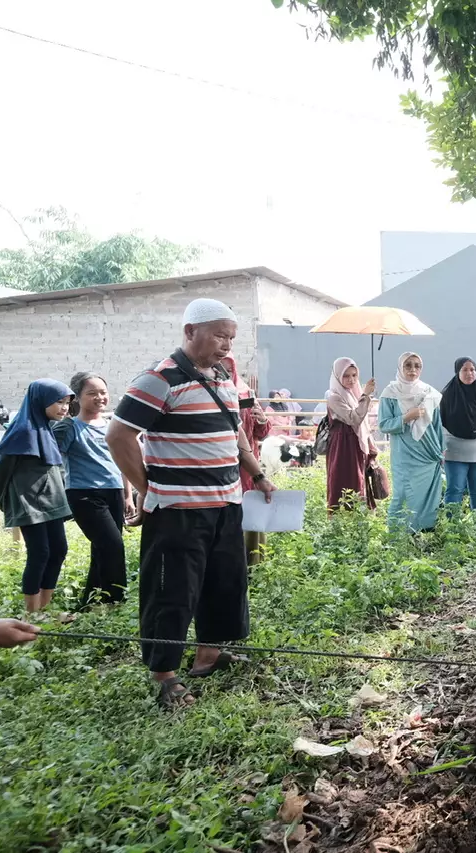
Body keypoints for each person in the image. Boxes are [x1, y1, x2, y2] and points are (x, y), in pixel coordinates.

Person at [106, 298, 276, 709]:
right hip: (179, 510)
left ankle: (209, 655)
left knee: (224, 582)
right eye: (219, 335)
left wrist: (257, 471)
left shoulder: (221, 377)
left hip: (225, 504)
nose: (226, 345)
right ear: (189, 332)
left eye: (231, 338)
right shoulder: (158, 379)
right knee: (172, 591)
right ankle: (164, 674)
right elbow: (119, 436)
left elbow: (234, 432)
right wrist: (147, 489)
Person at [0, 379, 73, 613]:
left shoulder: (45, 427)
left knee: (59, 549)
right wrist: (6, 500)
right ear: (40, 401)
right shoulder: (24, 430)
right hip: (30, 502)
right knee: (40, 552)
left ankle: (44, 610)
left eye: (67, 402)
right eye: (58, 402)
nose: (64, 407)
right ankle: (32, 615)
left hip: (52, 500)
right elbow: (2, 468)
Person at [52, 372, 132, 607]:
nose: (100, 397)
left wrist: (128, 495)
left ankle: (90, 603)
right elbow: (51, 456)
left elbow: (123, 462)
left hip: (114, 491)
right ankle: (115, 601)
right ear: (77, 397)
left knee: (102, 549)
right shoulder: (69, 428)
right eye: (92, 393)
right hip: (84, 494)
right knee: (112, 546)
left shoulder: (111, 427)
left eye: (103, 392)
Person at [379, 352, 445, 532]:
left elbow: (437, 425)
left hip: (428, 453)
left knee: (427, 495)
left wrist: (442, 450)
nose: (413, 369)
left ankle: (423, 533)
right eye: (408, 365)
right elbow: (384, 425)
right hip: (405, 454)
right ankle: (397, 536)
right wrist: (407, 417)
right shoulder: (390, 393)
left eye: (417, 365)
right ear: (400, 367)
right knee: (402, 495)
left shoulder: (430, 393)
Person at [222, 358, 272, 565]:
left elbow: (262, 432)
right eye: (219, 369)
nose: (223, 373)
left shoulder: (245, 394)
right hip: (223, 465)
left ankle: (253, 562)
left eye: (228, 369)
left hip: (248, 464)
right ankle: (230, 563)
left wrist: (261, 418)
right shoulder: (209, 394)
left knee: (251, 509)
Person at [439, 357, 476, 511]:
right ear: (457, 372)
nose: (469, 373)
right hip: (455, 451)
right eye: (464, 369)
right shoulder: (446, 396)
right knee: (455, 490)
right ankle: (452, 528)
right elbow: (439, 422)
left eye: (472, 369)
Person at [324, 357, 378, 513]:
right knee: (343, 481)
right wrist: (366, 396)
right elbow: (354, 418)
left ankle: (359, 521)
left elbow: (363, 423)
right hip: (343, 447)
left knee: (358, 481)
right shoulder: (334, 397)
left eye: (354, 375)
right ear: (337, 377)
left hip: (355, 445)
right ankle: (339, 522)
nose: (351, 380)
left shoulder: (354, 394)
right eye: (346, 376)